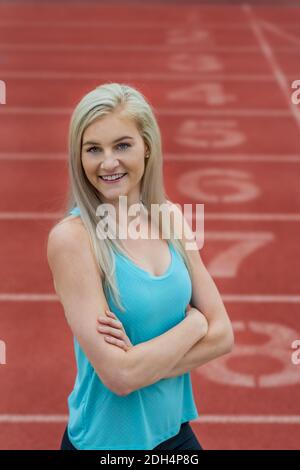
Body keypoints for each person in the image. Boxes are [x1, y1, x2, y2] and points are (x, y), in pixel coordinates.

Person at [47, 83, 234, 450]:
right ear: (79, 157)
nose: (108, 162)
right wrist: (195, 324)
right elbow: (118, 375)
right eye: (93, 149)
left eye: (122, 145)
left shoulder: (170, 218)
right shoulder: (74, 239)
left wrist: (139, 365)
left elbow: (224, 335)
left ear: (146, 146)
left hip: (175, 435)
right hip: (106, 445)